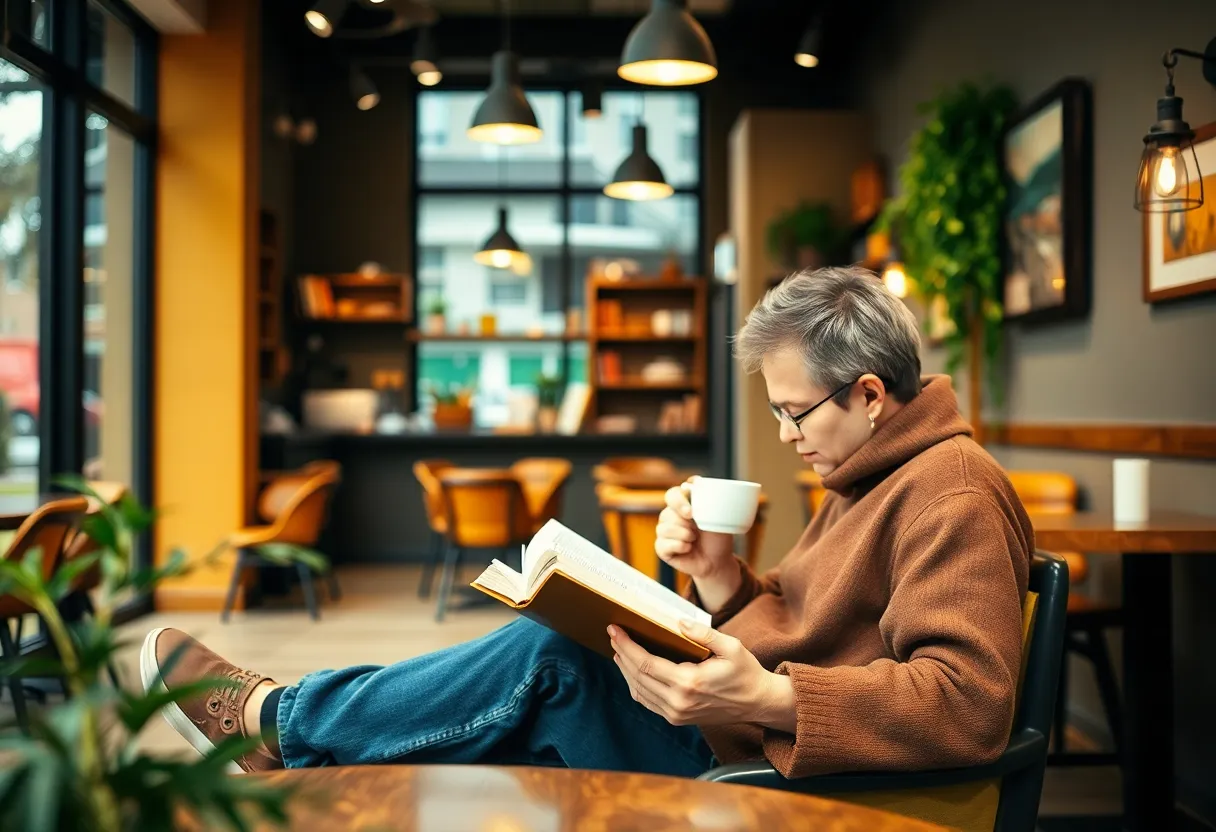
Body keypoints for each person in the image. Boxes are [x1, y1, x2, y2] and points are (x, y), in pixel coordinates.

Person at [142, 265, 1032, 778]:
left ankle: (284, 723)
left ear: (871, 395)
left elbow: (968, 704)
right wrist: (721, 579)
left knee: (551, 662)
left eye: (795, 412)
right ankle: (306, 742)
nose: (786, 434)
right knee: (547, 678)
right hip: (754, 731)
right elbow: (809, 629)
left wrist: (764, 696)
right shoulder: (871, 471)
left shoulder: (948, 491)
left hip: (798, 774)